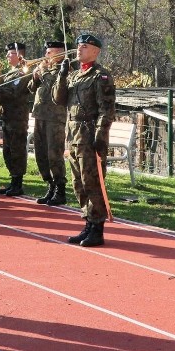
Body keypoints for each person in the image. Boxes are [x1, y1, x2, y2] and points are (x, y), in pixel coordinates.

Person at [52, 34, 116, 247]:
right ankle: (87, 222)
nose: (79, 49)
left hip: (89, 137)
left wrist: (99, 136)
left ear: (96, 51)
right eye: (79, 46)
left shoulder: (100, 76)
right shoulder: (74, 75)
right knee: (78, 183)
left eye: (85, 46)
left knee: (92, 183)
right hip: (73, 136)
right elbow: (58, 99)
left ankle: (97, 228)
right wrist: (61, 75)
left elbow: (106, 110)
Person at [28, 40, 69, 205]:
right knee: (41, 154)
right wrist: (35, 77)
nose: (46, 55)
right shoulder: (46, 68)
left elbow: (56, 88)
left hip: (55, 118)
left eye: (49, 52)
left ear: (59, 53)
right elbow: (31, 88)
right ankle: (50, 185)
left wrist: (43, 73)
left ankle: (60, 189)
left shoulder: (64, 69)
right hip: (40, 115)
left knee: (54, 154)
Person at [0, 42, 32, 197]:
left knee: (17, 150)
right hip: (7, 116)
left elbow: (14, 92)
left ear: (19, 55)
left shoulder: (23, 72)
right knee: (8, 150)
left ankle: (18, 183)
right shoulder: (9, 73)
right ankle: (13, 180)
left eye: (10, 53)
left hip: (17, 117)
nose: (7, 56)